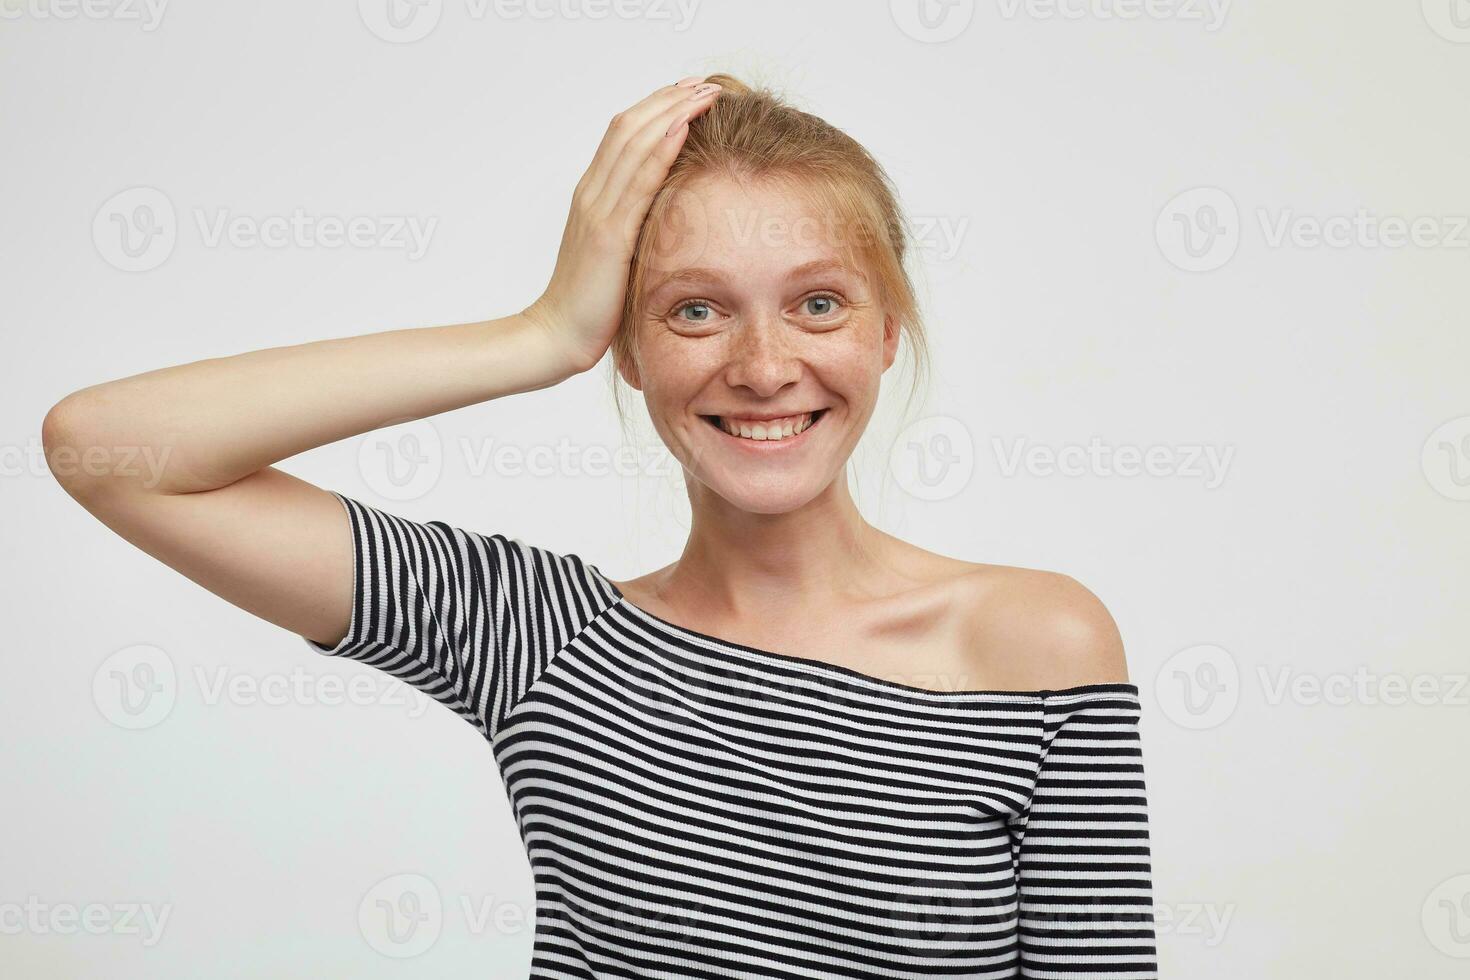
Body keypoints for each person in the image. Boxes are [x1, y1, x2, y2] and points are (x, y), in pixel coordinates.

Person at [44, 72, 1158, 978]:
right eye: (694, 308)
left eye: (819, 301)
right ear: (624, 347)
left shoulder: (1034, 644)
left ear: (886, 332)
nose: (765, 366)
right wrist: (535, 334)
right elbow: (108, 448)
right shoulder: (541, 635)